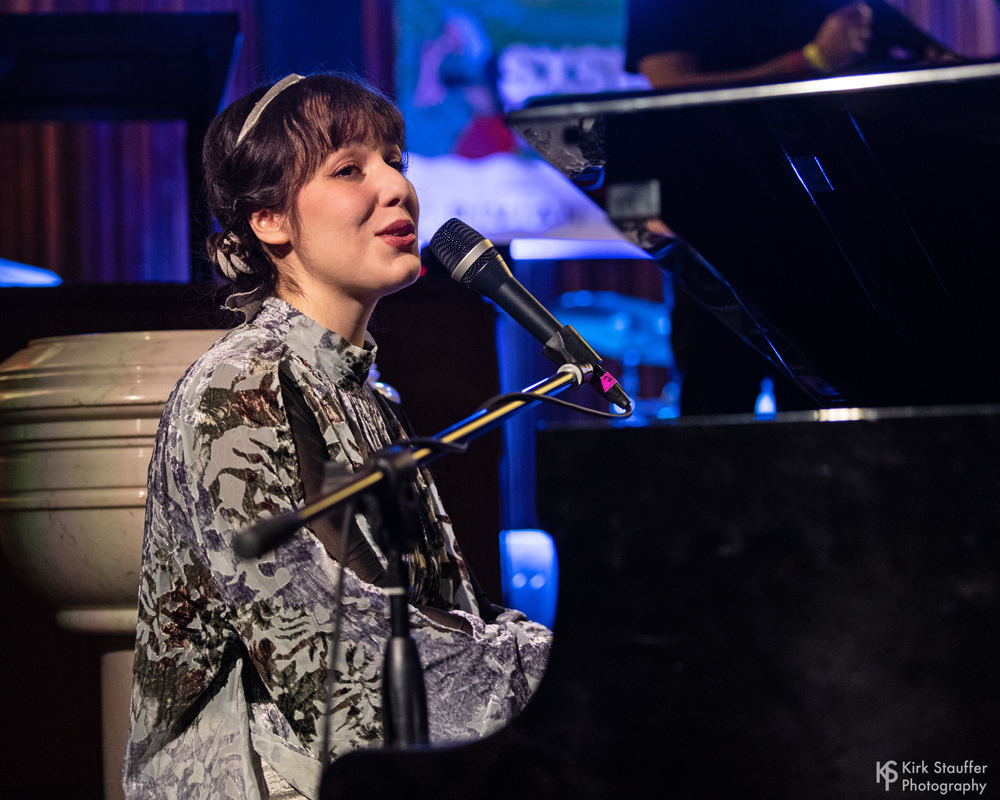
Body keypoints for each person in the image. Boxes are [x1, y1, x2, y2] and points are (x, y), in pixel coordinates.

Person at [124, 73, 551, 800]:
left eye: (396, 161)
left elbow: (447, 614)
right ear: (269, 220)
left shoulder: (369, 398)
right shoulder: (237, 388)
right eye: (350, 169)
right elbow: (334, 662)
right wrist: (556, 674)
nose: (397, 188)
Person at [625, 0, 954, 415]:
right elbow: (669, 83)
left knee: (836, 407)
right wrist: (809, 62)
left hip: (838, 232)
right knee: (717, 403)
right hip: (723, 226)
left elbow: (930, 64)